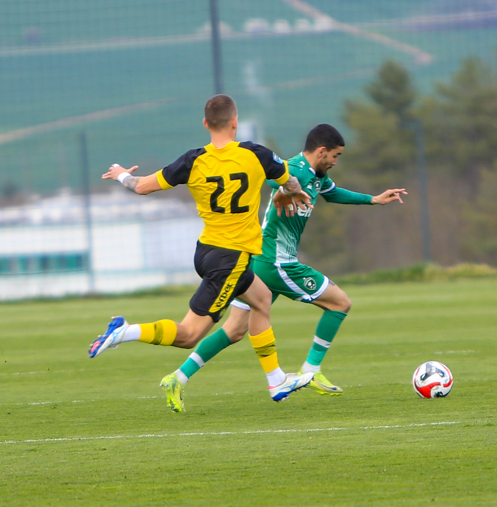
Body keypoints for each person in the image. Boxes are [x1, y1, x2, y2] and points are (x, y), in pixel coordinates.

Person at [88, 94, 315, 412]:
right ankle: (125, 331)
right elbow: (288, 181)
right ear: (235, 122)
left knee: (262, 299)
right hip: (230, 259)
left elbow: (140, 186)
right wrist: (294, 191)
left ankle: (276, 380)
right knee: (189, 335)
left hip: (207, 251)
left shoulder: (192, 160)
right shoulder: (257, 154)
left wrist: (121, 174)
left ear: (206, 123)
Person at [169, 123, 406, 399]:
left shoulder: (317, 176)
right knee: (340, 303)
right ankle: (311, 369)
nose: (335, 162)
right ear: (322, 151)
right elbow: (272, 179)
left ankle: (178, 377)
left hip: (259, 261)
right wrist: (284, 191)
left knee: (234, 330)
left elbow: (332, 193)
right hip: (277, 262)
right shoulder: (295, 169)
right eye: (335, 156)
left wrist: (373, 200)